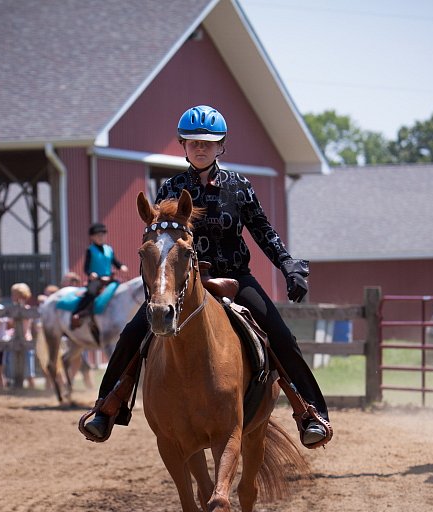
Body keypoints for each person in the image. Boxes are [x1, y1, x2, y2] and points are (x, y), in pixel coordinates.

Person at [83, 105, 332, 448]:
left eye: (208, 143)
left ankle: (310, 414)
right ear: (183, 145)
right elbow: (157, 240)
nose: (201, 148)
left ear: (221, 146)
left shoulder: (239, 186)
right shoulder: (170, 187)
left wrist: (288, 265)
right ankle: (106, 408)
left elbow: (263, 232)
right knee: (132, 334)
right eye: (194, 142)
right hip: (182, 283)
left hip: (235, 278)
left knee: (280, 336)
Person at [70, 223, 128, 329]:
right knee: (90, 294)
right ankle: (77, 313)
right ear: (92, 237)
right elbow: (86, 268)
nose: (101, 237)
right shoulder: (90, 250)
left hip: (109, 279)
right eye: (98, 235)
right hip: (96, 280)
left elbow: (115, 261)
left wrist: (121, 266)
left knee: (122, 290)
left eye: (103, 235)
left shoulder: (109, 249)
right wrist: (90, 274)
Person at [4, 282, 36, 388]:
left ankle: (32, 391)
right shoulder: (12, 309)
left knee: (29, 372)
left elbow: (21, 326)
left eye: (15, 294)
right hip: (14, 341)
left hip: (25, 340)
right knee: (13, 370)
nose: (13, 296)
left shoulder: (26, 309)